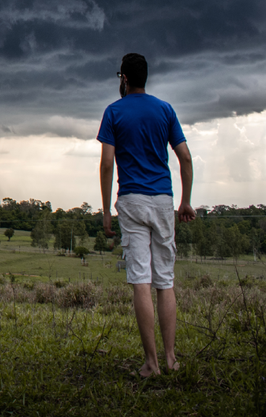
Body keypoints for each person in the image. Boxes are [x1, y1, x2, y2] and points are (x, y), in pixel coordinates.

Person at [98, 53, 195, 377]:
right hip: (163, 201)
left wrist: (105, 209)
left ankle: (151, 363)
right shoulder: (165, 110)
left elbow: (108, 163)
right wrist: (186, 202)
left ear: (124, 78)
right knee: (164, 282)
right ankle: (170, 359)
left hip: (132, 201)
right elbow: (185, 158)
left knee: (141, 280)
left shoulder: (113, 111)